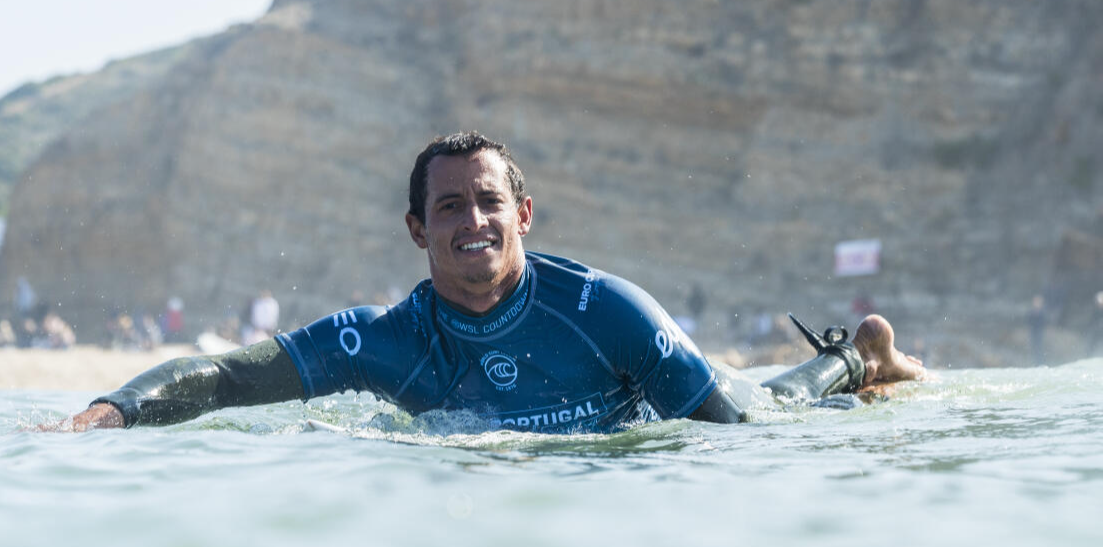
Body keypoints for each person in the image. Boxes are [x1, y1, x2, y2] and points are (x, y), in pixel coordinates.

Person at [51, 132, 924, 433]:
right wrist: (114, 410)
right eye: (450, 206)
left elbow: (729, 445)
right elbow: (227, 377)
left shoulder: (605, 310)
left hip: (670, 413)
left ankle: (853, 360)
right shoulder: (381, 339)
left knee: (767, 406)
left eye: (490, 201)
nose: (473, 220)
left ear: (524, 214)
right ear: (417, 229)